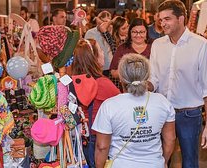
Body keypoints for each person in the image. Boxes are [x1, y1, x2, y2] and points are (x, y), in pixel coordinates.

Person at [148, 1, 207, 167]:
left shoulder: (201, 45)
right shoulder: (157, 45)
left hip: (190, 115)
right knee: (159, 161)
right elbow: (153, 79)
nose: (162, 23)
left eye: (167, 19)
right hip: (162, 113)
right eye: (161, 19)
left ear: (181, 18)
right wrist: (140, 86)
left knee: (189, 162)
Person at [92, 53, 176, 168]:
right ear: (147, 76)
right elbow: (170, 139)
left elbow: (102, 146)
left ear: (121, 77)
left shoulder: (109, 106)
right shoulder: (162, 102)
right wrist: (164, 162)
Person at [71, 39, 120, 168]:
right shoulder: (103, 84)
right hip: (100, 143)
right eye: (101, 51)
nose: (103, 53)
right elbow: (122, 108)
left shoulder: (72, 82)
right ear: (94, 58)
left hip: (80, 141)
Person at [85, 10, 113, 77]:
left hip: (111, 67)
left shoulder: (113, 32)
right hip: (96, 68)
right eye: (103, 21)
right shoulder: (90, 33)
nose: (104, 24)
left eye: (107, 22)